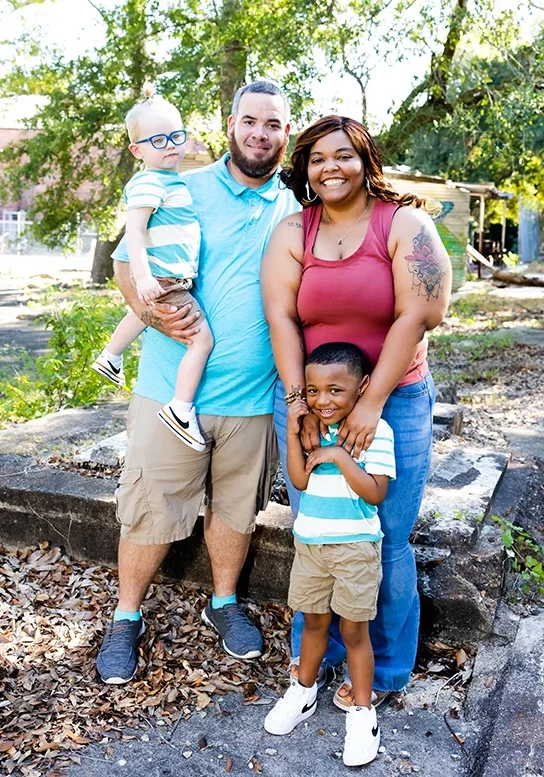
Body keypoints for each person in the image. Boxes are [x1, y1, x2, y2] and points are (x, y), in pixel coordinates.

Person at [96, 80, 297, 684]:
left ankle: (225, 602)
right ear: (231, 125)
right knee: (151, 509)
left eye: (274, 125)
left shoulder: (292, 211)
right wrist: (153, 309)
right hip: (170, 391)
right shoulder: (181, 184)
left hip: (251, 399)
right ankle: (126, 617)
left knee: (236, 511)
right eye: (250, 121)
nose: (261, 133)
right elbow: (126, 265)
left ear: (285, 135)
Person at [261, 115, 452, 708]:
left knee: (387, 536)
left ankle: (387, 671)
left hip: (393, 397)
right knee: (318, 530)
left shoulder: (405, 225)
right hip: (310, 396)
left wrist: (369, 405)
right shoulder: (294, 230)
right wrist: (299, 405)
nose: (330, 167)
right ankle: (312, 665)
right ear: (304, 170)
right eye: (317, 158)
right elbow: (282, 318)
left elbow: (420, 314)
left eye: (343, 155)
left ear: (366, 161)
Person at [264, 342, 395, 767]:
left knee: (355, 632)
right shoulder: (310, 429)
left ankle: (362, 713)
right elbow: (299, 481)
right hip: (310, 547)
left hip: (355, 549)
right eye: (315, 390)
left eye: (336, 390)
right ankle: (303, 691)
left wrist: (339, 456)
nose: (324, 400)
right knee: (314, 624)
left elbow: (375, 493)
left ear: (363, 388)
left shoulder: (374, 432)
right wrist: (291, 424)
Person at [91, 87, 213, 452]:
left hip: (167, 276)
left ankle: (111, 356)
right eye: (158, 140)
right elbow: (135, 230)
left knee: (141, 314)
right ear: (137, 150)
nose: (171, 145)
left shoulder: (170, 180)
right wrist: (142, 276)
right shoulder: (148, 181)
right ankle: (180, 408)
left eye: (177, 136)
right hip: (163, 276)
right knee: (202, 340)